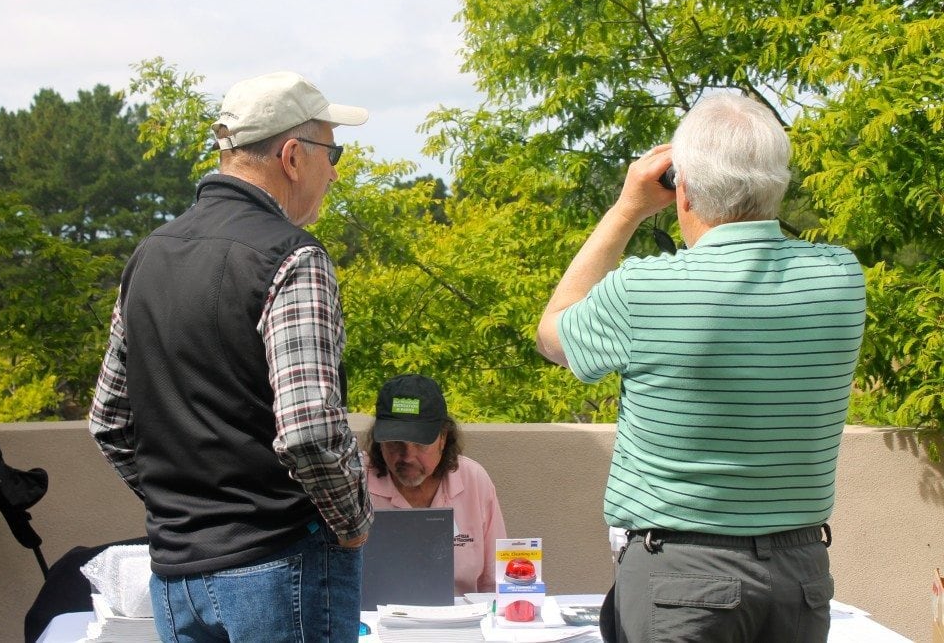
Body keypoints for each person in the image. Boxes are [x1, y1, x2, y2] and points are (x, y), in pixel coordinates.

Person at [536, 93, 866, 642]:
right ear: (778, 182)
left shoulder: (647, 290)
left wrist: (628, 208)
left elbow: (553, 336)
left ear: (681, 187)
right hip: (800, 572)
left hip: (681, 576)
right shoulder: (839, 277)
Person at [89, 71, 374, 643]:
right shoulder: (293, 257)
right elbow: (310, 432)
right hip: (280, 564)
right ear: (292, 155)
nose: (337, 169)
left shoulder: (150, 255)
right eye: (333, 150)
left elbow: (109, 422)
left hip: (176, 573)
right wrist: (353, 524)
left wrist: (185, 514)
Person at [363, 373, 507, 595]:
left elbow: (495, 581)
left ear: (443, 437)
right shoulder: (357, 482)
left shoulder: (473, 480)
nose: (407, 456)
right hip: (376, 621)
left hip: (461, 621)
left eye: (420, 444)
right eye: (394, 443)